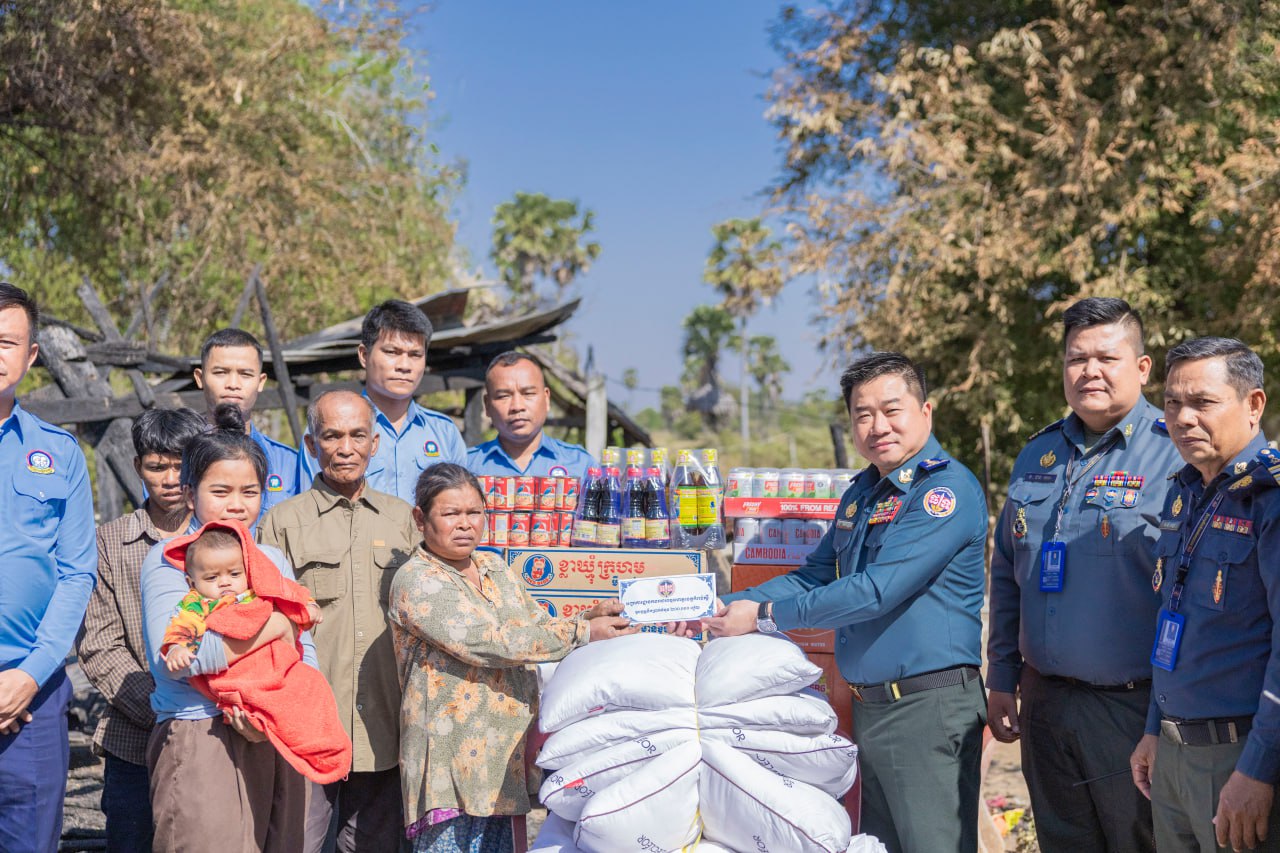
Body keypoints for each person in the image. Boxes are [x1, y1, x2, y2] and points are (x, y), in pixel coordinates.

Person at [704, 351, 988, 853]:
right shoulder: (864, 492)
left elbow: (877, 591)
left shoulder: (943, 491)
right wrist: (722, 605)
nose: (878, 426)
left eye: (891, 410)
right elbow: (815, 576)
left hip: (926, 709)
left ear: (925, 411)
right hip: (873, 708)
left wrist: (763, 617)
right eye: (863, 414)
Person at [985, 297, 1180, 852]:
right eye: (1076, 359)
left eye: (1106, 358)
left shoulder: (1176, 453)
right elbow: (1008, 570)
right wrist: (1002, 675)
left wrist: (1162, 719)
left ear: (1142, 368)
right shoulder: (1038, 454)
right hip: (1044, 703)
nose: (1090, 371)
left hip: (1132, 709)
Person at [389, 463, 638, 852]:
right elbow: (490, 642)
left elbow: (535, 624)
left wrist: (589, 617)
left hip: (503, 761)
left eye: (474, 512)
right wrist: (582, 632)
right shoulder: (416, 580)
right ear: (421, 519)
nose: (465, 524)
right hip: (449, 764)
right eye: (450, 514)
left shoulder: (494, 568)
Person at [141, 403, 320, 852]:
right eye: (220, 491)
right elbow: (175, 661)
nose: (237, 505)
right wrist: (272, 629)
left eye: (250, 491)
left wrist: (288, 711)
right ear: (189, 494)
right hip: (201, 729)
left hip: (275, 729)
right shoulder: (172, 560)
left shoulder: (272, 559)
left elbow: (305, 651)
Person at [1130, 337, 1280, 852]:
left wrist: (1258, 770)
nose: (1182, 418)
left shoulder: (1270, 499)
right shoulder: (1187, 490)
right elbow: (1173, 619)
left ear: (1253, 404)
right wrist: (1156, 727)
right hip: (1173, 756)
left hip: (1241, 758)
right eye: (1172, 402)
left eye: (1202, 402)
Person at [258, 389, 418, 852]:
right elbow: (266, 627)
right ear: (312, 445)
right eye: (331, 436)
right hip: (308, 726)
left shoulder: (403, 521)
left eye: (357, 435)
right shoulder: (282, 523)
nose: (345, 448)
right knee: (299, 843)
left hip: (384, 727)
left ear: (374, 444)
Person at [78, 406, 206, 852]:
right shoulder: (108, 543)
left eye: (181, 465)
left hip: (218, 731)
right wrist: (165, 707)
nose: (170, 479)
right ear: (138, 467)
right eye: (156, 467)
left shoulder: (224, 538)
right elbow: (99, 644)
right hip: (135, 737)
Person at [0, 282, 97, 853]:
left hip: (31, 696)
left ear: (31, 354)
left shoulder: (58, 453)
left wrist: (31, 675)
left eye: (6, 342)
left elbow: (76, 572)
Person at [159, 521, 350, 786]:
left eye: (234, 574)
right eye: (212, 578)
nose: (225, 582)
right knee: (267, 703)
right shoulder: (197, 603)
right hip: (242, 676)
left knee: (314, 686)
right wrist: (177, 648)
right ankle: (309, 748)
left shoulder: (256, 592)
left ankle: (325, 747)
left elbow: (290, 594)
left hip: (278, 664)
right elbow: (181, 627)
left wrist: (308, 607)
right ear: (192, 582)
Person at [300, 300, 466, 503]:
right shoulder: (326, 429)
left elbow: (461, 507)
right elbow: (310, 510)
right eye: (392, 352)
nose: (404, 365)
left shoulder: (445, 433)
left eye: (415, 355)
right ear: (364, 355)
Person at [194, 327, 300, 513]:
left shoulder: (288, 464)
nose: (233, 384)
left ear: (261, 381)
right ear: (200, 378)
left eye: (245, 374)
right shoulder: (176, 457)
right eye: (220, 372)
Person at [465, 351, 595, 481]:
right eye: (504, 396)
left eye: (528, 393)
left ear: (546, 399)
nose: (517, 406)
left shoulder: (581, 465)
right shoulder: (466, 467)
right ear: (487, 405)